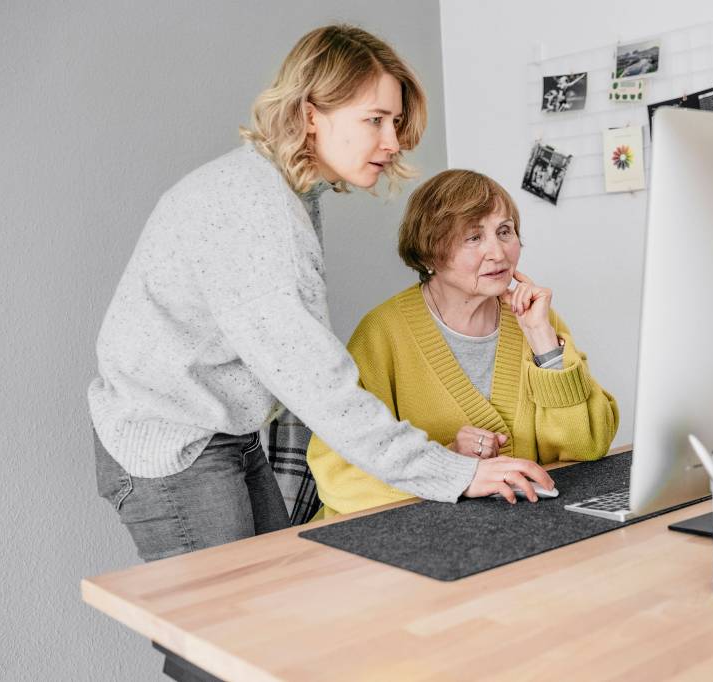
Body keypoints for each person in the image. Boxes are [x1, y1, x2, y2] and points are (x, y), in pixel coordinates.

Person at [89, 26, 553, 562]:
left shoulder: (284, 192)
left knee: (271, 617)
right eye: (374, 120)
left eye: (395, 122)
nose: (393, 142)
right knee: (225, 634)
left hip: (224, 432)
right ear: (311, 114)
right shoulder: (256, 211)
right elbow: (319, 387)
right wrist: (455, 472)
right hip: (170, 440)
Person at [307, 170, 618, 518]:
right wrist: (449, 464)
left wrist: (545, 345)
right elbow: (336, 472)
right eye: (473, 237)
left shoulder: (536, 318)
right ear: (428, 253)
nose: (497, 252)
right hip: (406, 540)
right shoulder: (382, 333)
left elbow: (588, 445)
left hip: (519, 530)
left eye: (504, 231)